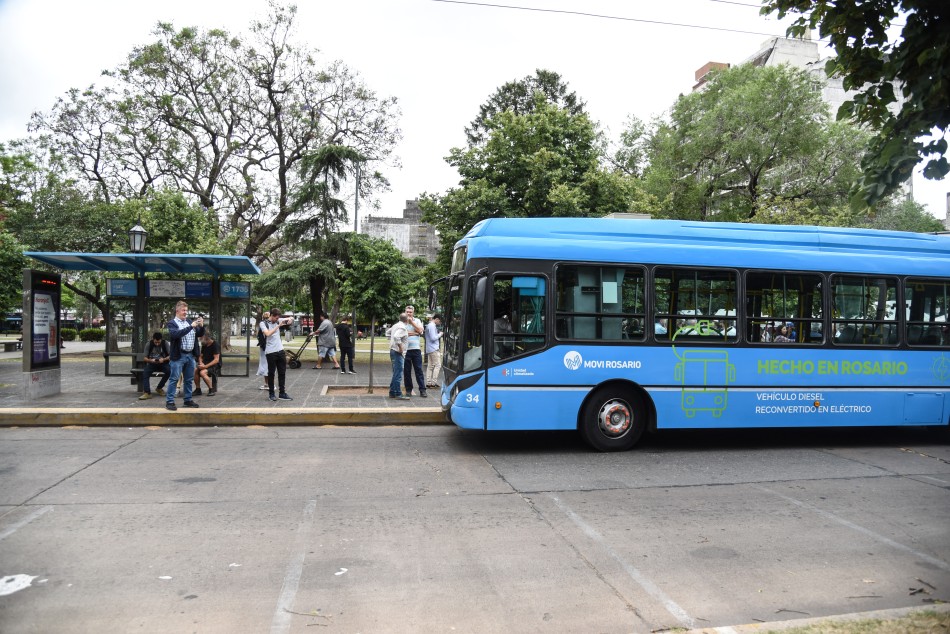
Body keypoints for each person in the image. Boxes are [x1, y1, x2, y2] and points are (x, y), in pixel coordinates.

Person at [165, 300, 204, 411]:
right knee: (174, 378)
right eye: (183, 310)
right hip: (178, 356)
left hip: (190, 355)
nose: (185, 312)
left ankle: (187, 400)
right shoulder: (172, 323)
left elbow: (199, 334)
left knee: (189, 379)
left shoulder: (188, 321)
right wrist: (191, 326)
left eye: (186, 310)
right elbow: (175, 334)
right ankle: (170, 401)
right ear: (177, 310)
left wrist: (201, 326)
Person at [262, 309, 293, 402]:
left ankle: (282, 393)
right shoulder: (263, 323)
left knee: (282, 372)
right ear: (271, 315)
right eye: (276, 318)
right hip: (270, 352)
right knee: (271, 373)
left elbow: (290, 318)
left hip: (280, 351)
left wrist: (290, 319)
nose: (277, 319)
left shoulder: (278, 320)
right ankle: (271, 394)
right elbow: (268, 334)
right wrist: (278, 326)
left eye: (278, 318)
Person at [138, 332, 170, 400]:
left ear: (161, 339)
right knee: (145, 373)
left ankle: (159, 388)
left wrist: (164, 359)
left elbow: (171, 356)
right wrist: (151, 360)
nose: (157, 344)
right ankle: (147, 392)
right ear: (153, 340)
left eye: (159, 342)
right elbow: (145, 358)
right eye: (155, 342)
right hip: (152, 363)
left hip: (163, 363)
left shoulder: (165, 343)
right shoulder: (149, 344)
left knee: (169, 371)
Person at [403, 305, 426, 397]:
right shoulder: (402, 322)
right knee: (407, 371)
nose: (408, 313)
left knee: (419, 370)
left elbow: (421, 331)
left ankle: (422, 390)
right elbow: (403, 333)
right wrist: (415, 333)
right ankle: (408, 389)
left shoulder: (417, 321)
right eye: (407, 312)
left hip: (416, 349)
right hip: (405, 350)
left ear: (413, 313)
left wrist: (412, 323)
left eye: (410, 312)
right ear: (405, 312)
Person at [389, 312, 410, 400]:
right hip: (398, 353)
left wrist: (392, 343)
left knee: (396, 373)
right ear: (407, 319)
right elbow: (396, 336)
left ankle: (392, 392)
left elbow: (388, 332)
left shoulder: (395, 325)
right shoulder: (402, 328)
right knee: (398, 374)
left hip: (393, 351)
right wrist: (400, 347)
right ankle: (398, 393)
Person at [424, 313, 443, 388]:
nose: (440, 323)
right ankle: (433, 382)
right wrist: (440, 334)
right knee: (438, 365)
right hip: (434, 348)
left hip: (430, 348)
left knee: (430, 366)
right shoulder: (432, 326)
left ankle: (429, 382)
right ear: (437, 319)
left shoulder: (429, 325)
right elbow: (433, 338)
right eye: (440, 321)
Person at [256, 311, 271, 390]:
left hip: (265, 347)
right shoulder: (270, 324)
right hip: (267, 347)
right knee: (267, 365)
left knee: (265, 365)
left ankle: (268, 384)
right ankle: (267, 384)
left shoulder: (263, 324)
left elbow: (263, 335)